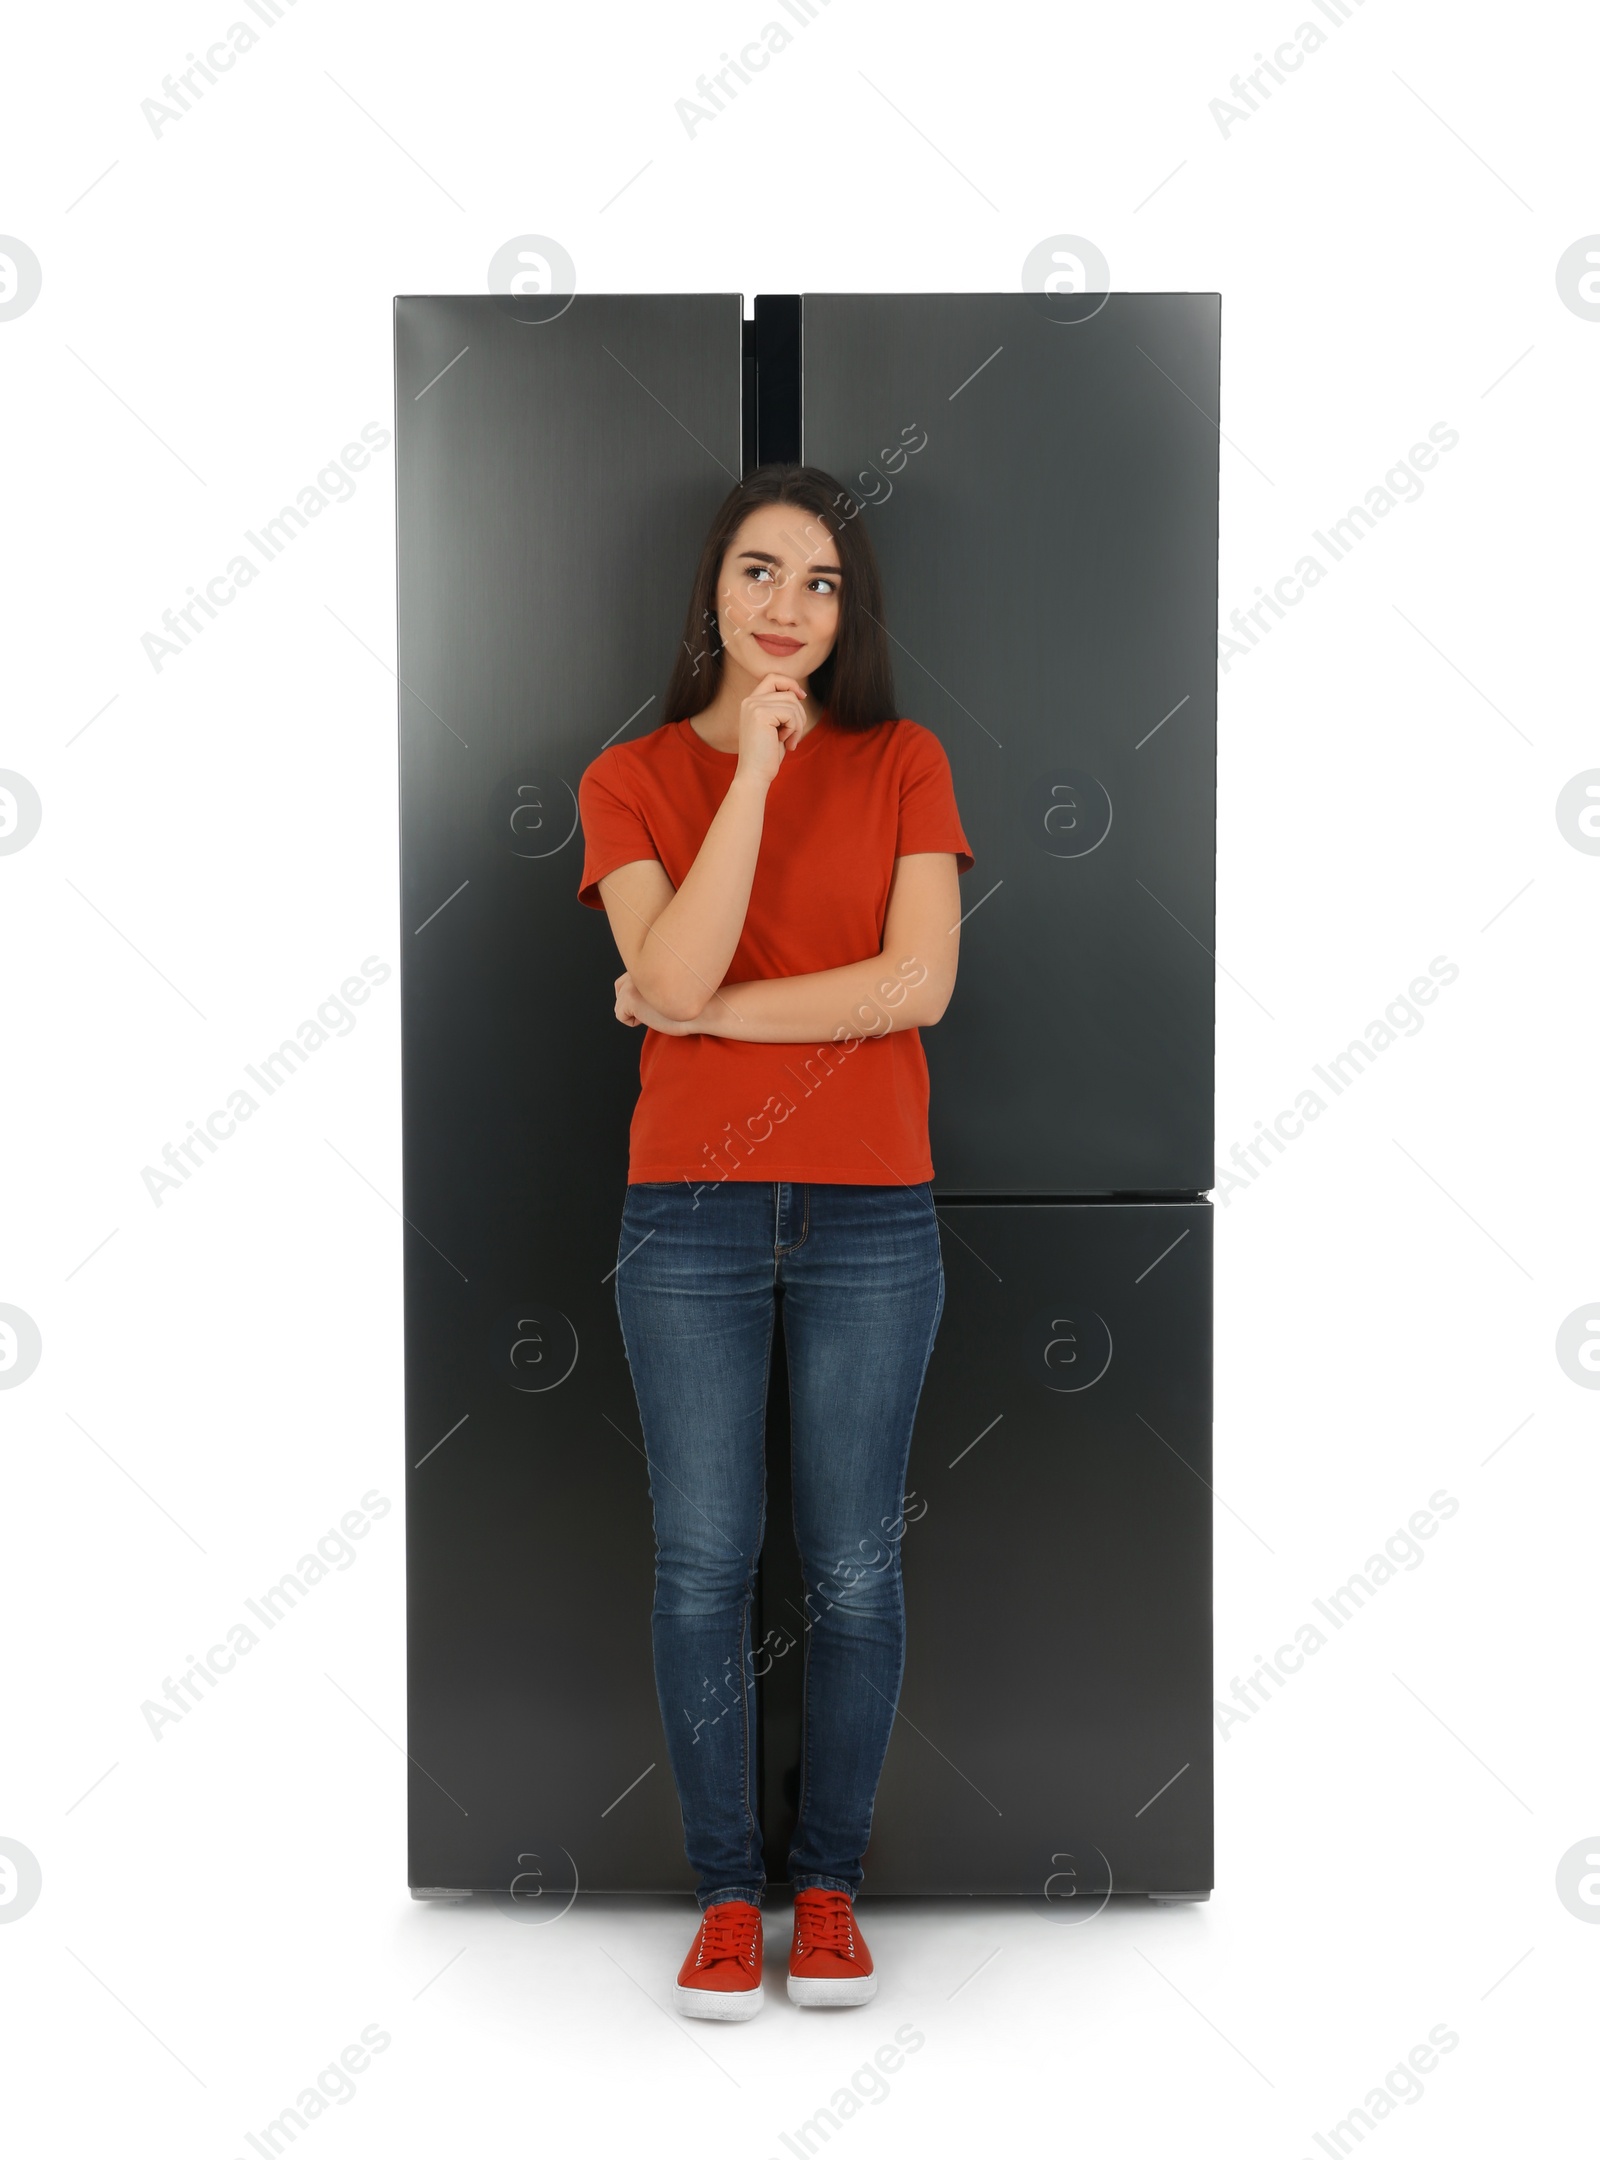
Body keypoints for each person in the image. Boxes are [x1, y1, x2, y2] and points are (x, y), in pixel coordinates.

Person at [575, 463, 973, 2019]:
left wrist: (701, 1012)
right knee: (702, 1564)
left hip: (873, 1209)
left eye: (818, 583)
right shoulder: (632, 780)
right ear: (714, 595)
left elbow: (916, 986)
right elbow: (660, 957)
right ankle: (728, 1896)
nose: (788, 608)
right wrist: (747, 772)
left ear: (845, 610)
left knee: (856, 1567)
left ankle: (833, 1890)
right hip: (689, 1216)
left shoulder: (909, 762)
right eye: (759, 574)